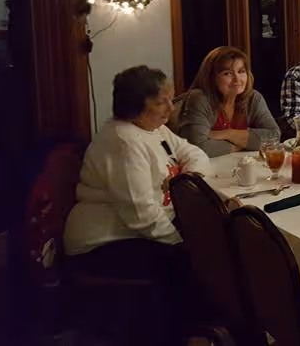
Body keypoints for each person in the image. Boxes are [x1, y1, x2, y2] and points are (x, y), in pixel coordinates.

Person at [63, 66, 211, 344]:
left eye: (171, 98)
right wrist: (180, 242)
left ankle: (199, 329)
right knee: (192, 261)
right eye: (161, 102)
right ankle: (184, 335)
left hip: (140, 229)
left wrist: (188, 176)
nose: (171, 107)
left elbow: (194, 152)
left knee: (210, 246)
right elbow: (141, 214)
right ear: (134, 107)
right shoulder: (124, 141)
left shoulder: (154, 129)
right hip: (104, 243)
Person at [177, 46, 281, 157]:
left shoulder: (253, 98)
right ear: (212, 77)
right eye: (227, 73)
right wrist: (245, 143)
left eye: (241, 71)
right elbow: (198, 147)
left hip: (236, 166)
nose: (237, 79)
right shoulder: (199, 98)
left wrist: (228, 134)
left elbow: (274, 136)